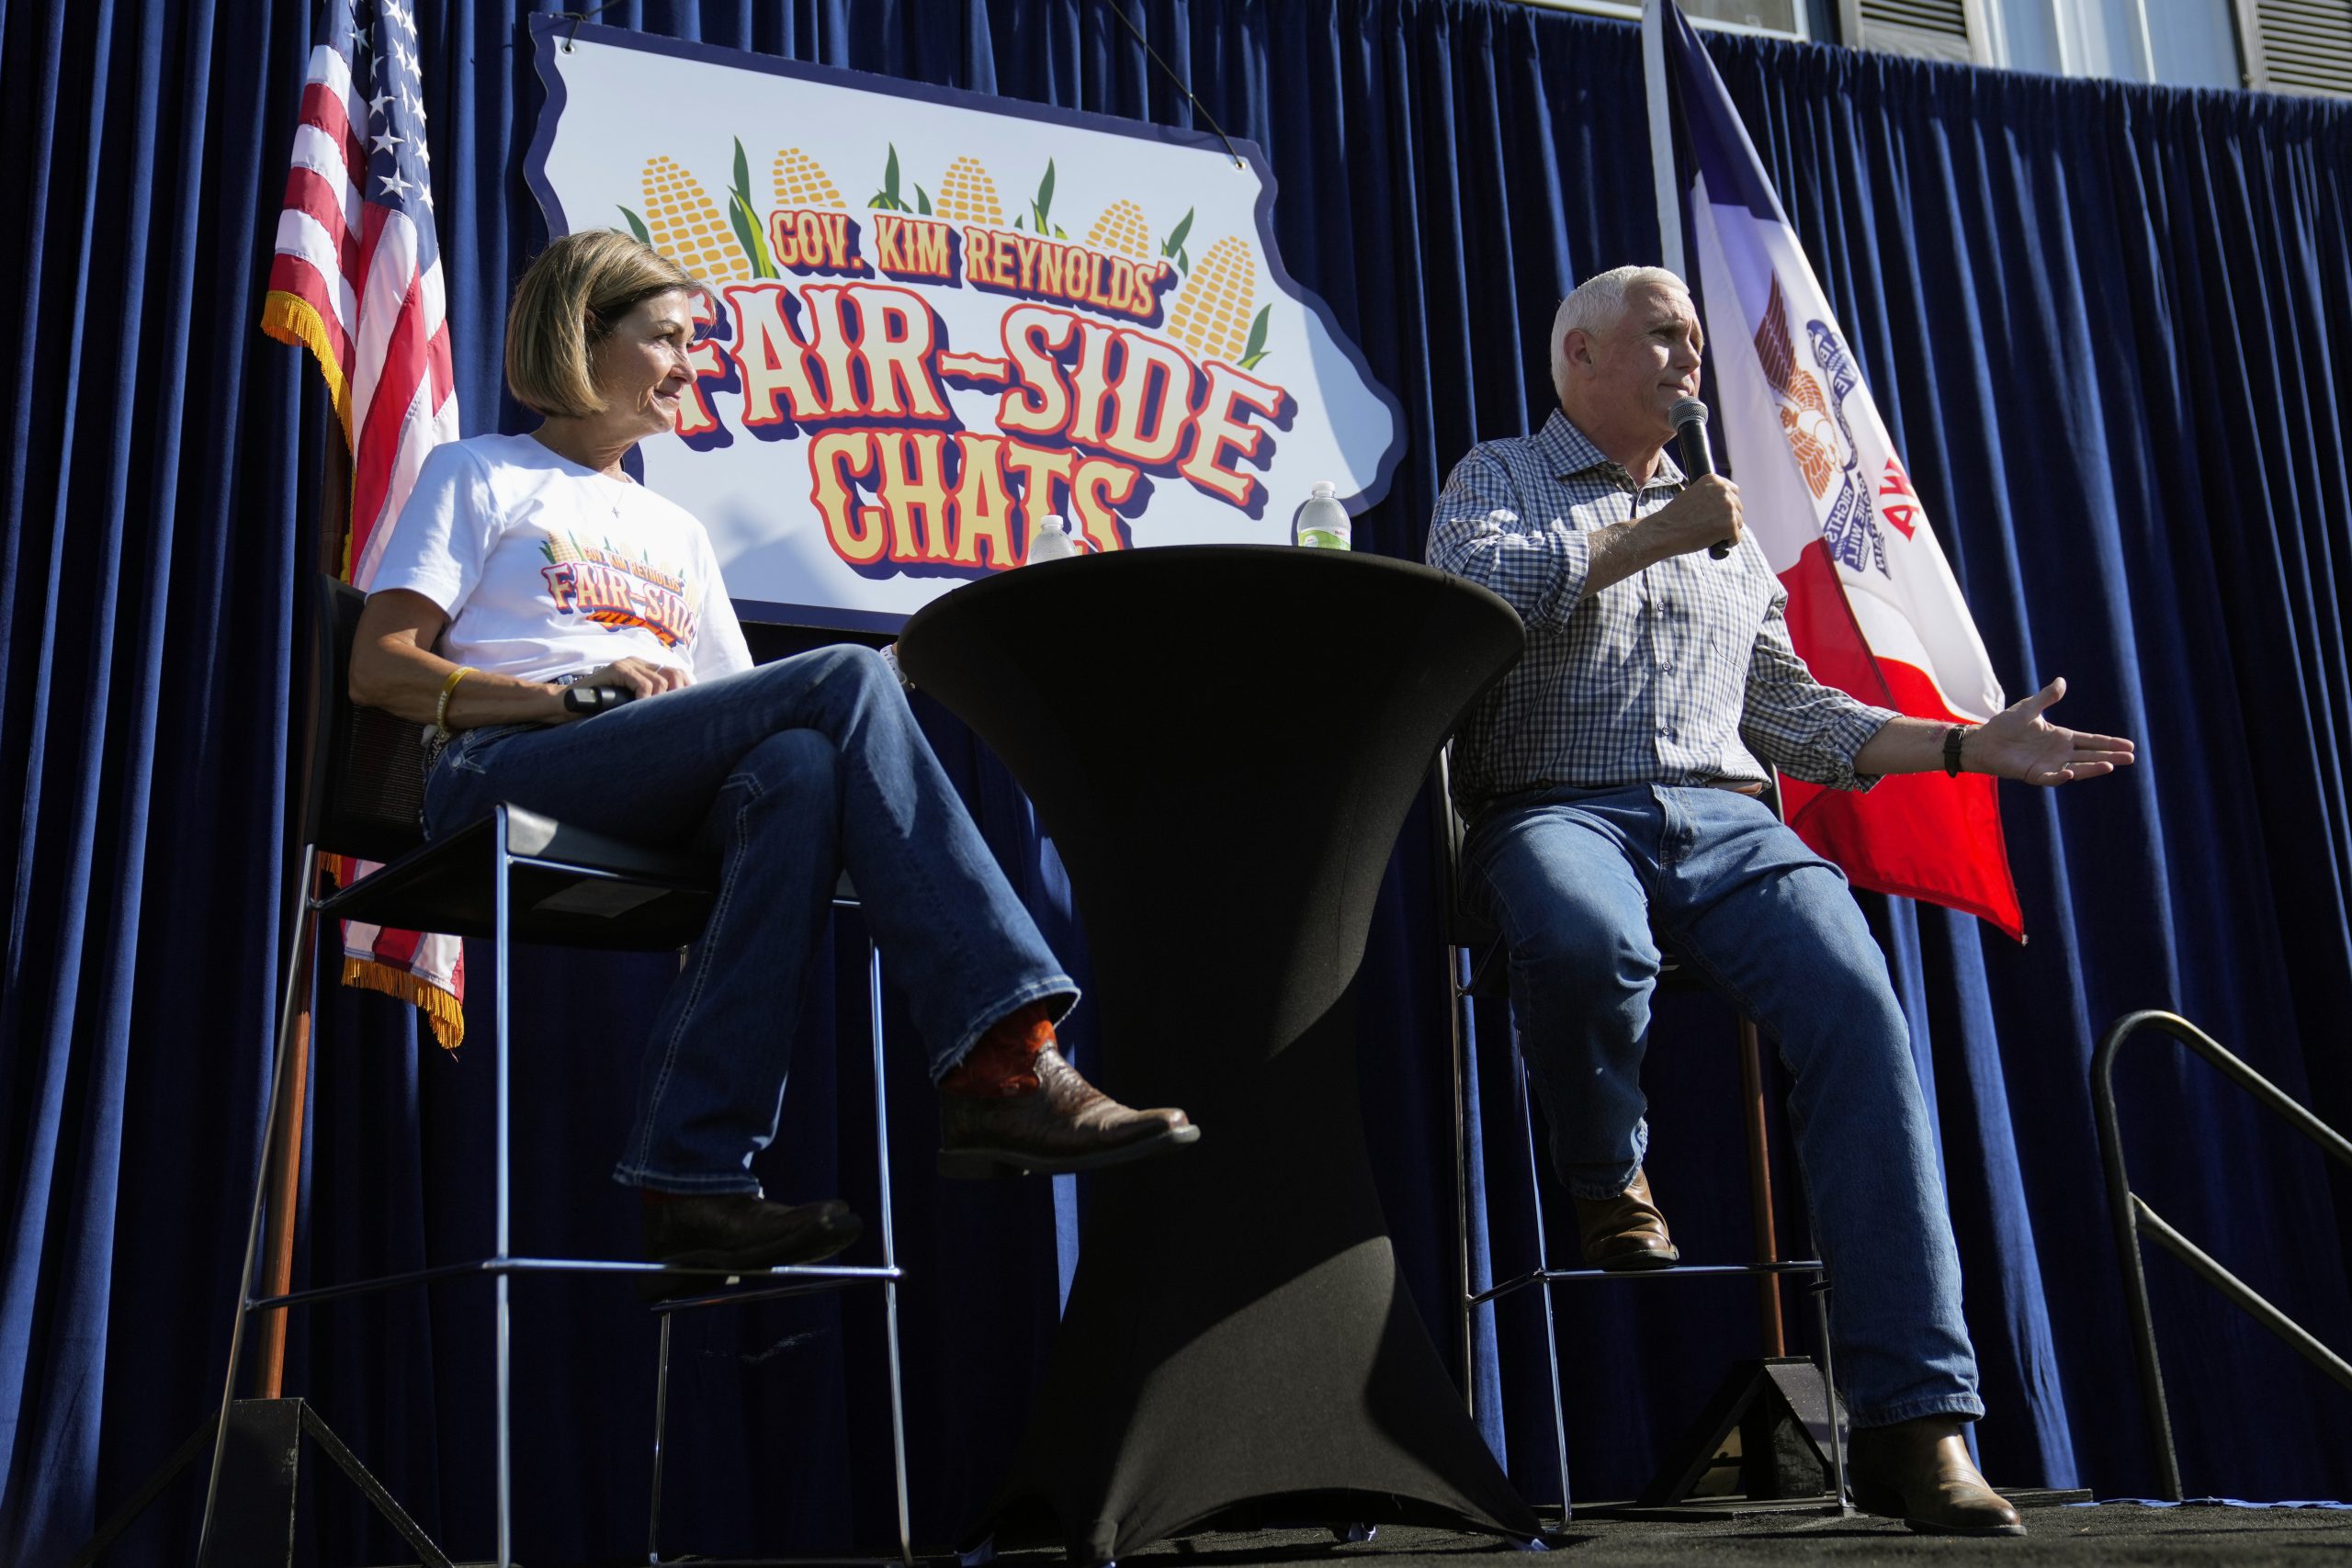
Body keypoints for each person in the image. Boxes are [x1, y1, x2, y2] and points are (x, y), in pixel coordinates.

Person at [350, 231, 1198, 1295]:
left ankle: (692, 1174)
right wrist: (559, 697)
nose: (692, 366)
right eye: (666, 339)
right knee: (836, 683)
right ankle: (1003, 1055)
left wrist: (864, 696)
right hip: (501, 769)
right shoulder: (481, 473)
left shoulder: (675, 530)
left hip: (645, 783)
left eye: (694, 341)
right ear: (581, 335)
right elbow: (378, 669)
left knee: (799, 766)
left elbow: (740, 719)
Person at [1427, 265, 2134, 1536]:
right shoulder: (1497, 477)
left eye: (1698, 339)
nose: (1691, 358)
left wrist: (1972, 745)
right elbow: (1467, 613)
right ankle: (1606, 1170)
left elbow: (1798, 717)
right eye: (1664, 336)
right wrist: (1646, 533)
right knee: (1587, 933)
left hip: (1727, 819)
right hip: (1551, 805)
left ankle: (1923, 1424)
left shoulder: (1731, 530)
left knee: (1863, 1011)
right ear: (1580, 357)